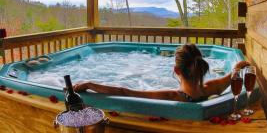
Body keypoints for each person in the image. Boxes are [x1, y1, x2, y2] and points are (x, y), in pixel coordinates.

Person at [73, 44, 249, 102]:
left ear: (176, 70)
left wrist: (89, 84)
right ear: (201, 66)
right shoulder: (211, 87)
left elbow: (124, 91)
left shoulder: (172, 96)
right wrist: (241, 64)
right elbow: (233, 73)